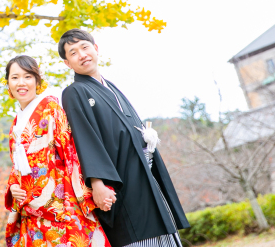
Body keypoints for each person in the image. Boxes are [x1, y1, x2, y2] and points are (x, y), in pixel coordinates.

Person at [59, 29, 190, 247]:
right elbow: (84, 138)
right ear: (67, 63)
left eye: (85, 47)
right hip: (119, 185)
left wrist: (146, 140)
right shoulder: (75, 92)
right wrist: (97, 182)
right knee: (137, 236)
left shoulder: (111, 87)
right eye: (73, 52)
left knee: (163, 235)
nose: (82, 54)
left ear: (96, 49)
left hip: (143, 176)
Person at [3, 54, 110, 247]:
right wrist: (13, 187)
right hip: (30, 213)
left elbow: (72, 152)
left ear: (37, 81)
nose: (21, 82)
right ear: (8, 83)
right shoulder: (16, 123)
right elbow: (16, 167)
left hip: (58, 207)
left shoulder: (50, 108)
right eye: (15, 77)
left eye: (28, 76)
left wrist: (97, 184)